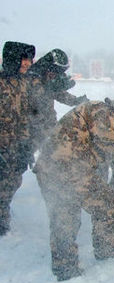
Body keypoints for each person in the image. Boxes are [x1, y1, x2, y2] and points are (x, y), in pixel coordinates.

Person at [33, 100, 114, 281]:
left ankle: (64, 266)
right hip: (68, 169)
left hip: (50, 169)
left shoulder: (95, 111)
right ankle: (106, 248)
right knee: (108, 202)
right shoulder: (103, 112)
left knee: (65, 215)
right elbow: (107, 140)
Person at [0, 41, 35, 236]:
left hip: (14, 146)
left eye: (29, 59)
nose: (27, 63)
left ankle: (2, 215)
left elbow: (24, 117)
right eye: (23, 59)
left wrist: (26, 146)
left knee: (12, 182)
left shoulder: (22, 84)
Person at [27, 48, 89, 151]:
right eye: (57, 71)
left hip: (47, 125)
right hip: (33, 126)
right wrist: (52, 86)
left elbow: (60, 95)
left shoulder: (49, 79)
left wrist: (76, 101)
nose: (56, 75)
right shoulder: (33, 77)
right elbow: (36, 94)